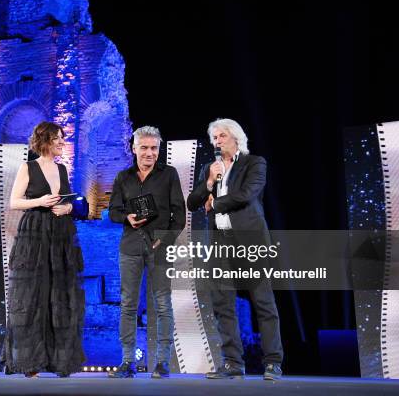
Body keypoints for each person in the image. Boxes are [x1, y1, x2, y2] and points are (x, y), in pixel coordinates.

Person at [187, 118, 283, 380]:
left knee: (263, 302)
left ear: (236, 138)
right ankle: (232, 363)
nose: (217, 142)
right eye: (214, 138)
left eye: (222, 136)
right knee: (223, 304)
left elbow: (246, 195)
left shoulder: (255, 163)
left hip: (251, 241)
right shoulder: (210, 167)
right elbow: (192, 202)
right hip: (219, 242)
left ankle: (273, 362)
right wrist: (208, 183)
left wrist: (215, 204)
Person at [0, 122, 85, 378]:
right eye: (57, 138)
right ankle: (30, 363)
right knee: (33, 295)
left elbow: (70, 199)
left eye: (62, 138)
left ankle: (59, 361)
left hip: (60, 234)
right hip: (35, 233)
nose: (61, 142)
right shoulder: (28, 167)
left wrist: (68, 208)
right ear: (45, 140)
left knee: (60, 293)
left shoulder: (62, 168)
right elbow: (14, 201)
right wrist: (40, 201)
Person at [108, 126, 186, 379]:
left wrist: (165, 238)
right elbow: (113, 212)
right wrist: (127, 217)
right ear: (134, 148)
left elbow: (180, 215)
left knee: (163, 305)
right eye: (144, 148)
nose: (150, 153)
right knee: (128, 305)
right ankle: (126, 362)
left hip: (160, 249)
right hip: (130, 247)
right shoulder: (123, 177)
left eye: (154, 148)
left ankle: (162, 362)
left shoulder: (169, 174)